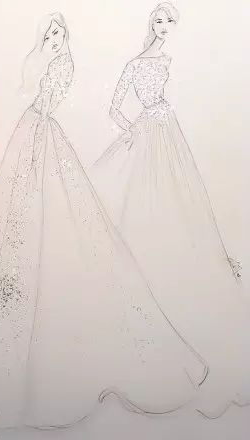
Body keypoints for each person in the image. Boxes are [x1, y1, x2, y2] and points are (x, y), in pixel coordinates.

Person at [0, 12, 209, 428]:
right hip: (34, 130)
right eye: (50, 33)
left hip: (42, 132)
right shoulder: (50, 61)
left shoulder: (64, 64)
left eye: (59, 32)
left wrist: (43, 84)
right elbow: (32, 92)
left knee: (54, 219)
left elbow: (46, 100)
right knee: (15, 223)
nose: (54, 38)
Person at [91, 2, 250, 418]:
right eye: (158, 20)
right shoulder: (145, 62)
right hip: (156, 130)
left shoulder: (171, 59)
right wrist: (135, 128)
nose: (163, 26)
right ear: (152, 24)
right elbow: (114, 107)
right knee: (151, 199)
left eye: (168, 20)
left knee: (180, 197)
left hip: (161, 129)